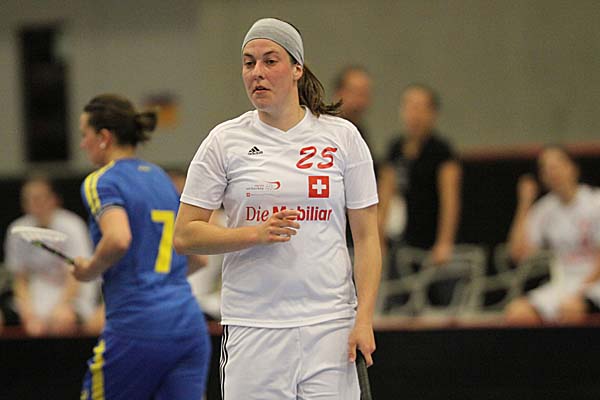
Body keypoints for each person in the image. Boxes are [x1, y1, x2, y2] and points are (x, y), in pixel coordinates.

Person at [174, 18, 381, 400]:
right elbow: (185, 235)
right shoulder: (224, 141)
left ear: (297, 69)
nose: (257, 72)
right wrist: (252, 234)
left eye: (270, 61)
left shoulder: (342, 137)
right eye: (248, 62)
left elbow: (368, 238)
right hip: (254, 326)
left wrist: (364, 318)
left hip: (330, 326)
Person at [73, 94, 210, 399]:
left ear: (104, 137)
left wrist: (89, 270)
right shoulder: (161, 178)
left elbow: (118, 238)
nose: (82, 144)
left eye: (85, 135)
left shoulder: (101, 181)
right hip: (189, 326)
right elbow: (198, 258)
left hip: (137, 327)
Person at [505, 146, 600, 324]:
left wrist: (581, 291)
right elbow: (517, 254)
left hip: (594, 283)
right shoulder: (544, 209)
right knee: (518, 312)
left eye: (556, 165)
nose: (552, 172)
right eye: (545, 168)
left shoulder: (595, 202)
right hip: (564, 284)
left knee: (570, 310)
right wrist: (525, 202)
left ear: (573, 168)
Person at [378, 83, 462, 265]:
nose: (414, 115)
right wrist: (378, 237)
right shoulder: (395, 149)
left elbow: (450, 200)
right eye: (409, 107)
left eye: (420, 108)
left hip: (429, 240)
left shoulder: (441, 152)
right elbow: (384, 195)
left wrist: (444, 242)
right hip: (401, 240)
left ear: (433, 113)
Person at [4, 176, 97, 337]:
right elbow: (19, 278)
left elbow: (76, 275)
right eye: (28, 199)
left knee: (62, 322)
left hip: (72, 294)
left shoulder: (72, 226)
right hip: (35, 294)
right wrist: (28, 312)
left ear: (54, 199)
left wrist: (61, 307)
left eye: (39, 198)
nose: (34, 203)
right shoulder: (17, 230)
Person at [333, 66, 373, 153]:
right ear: (339, 93)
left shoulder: (360, 133)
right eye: (356, 92)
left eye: (364, 94)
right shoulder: (328, 131)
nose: (360, 101)